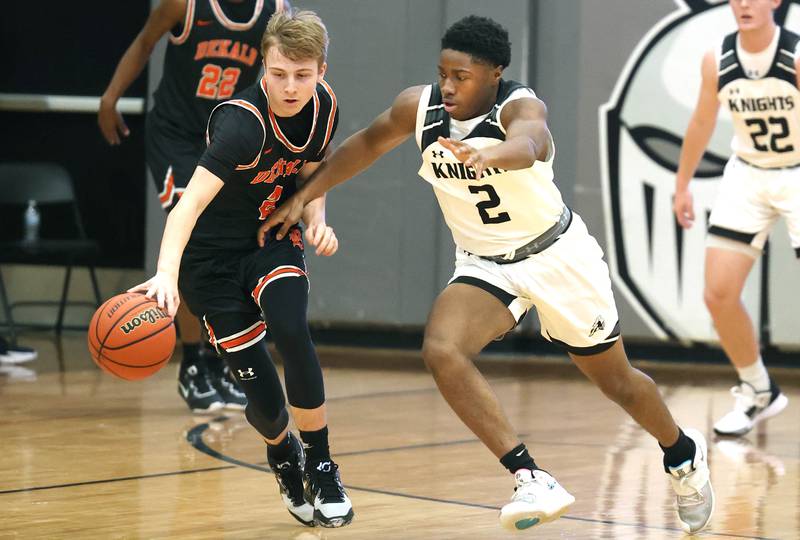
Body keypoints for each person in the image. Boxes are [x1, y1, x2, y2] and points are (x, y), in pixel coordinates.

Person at [260, 15, 714, 534]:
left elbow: (530, 143)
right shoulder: (421, 107)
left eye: (462, 76)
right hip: (484, 263)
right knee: (441, 349)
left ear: (495, 74)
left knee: (619, 383)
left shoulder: (520, 106)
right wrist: (306, 194)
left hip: (556, 257)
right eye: (443, 73)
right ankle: (529, 475)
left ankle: (682, 453)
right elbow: (365, 144)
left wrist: (487, 154)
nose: (448, 86)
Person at [130, 9, 353, 528]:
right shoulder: (240, 123)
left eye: (302, 75)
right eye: (278, 74)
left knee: (293, 330)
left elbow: (312, 172)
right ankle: (283, 455)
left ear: (322, 69)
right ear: (262, 65)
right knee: (265, 402)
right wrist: (166, 274)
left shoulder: (324, 108)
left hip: (268, 239)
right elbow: (186, 206)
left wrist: (316, 217)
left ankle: (321, 464)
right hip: (209, 260)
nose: (290, 86)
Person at [99, 0, 288, 412]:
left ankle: (219, 358)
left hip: (226, 136)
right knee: (190, 235)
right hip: (177, 136)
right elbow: (144, 43)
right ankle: (192, 362)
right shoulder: (183, 5)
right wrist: (111, 97)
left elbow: (284, 72)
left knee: (227, 243)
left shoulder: (274, 10)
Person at [673, 0, 792, 437]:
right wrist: (682, 184)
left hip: (798, 173)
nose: (743, 3)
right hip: (747, 175)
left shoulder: (795, 56)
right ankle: (759, 389)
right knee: (718, 293)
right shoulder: (717, 59)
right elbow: (703, 121)